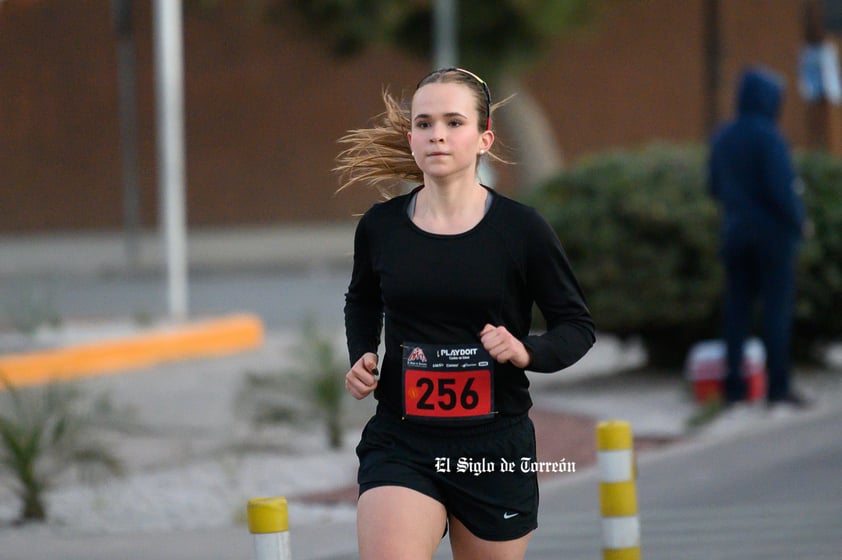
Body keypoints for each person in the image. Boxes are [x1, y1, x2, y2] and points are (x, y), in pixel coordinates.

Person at [338, 67, 595, 560]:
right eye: (425, 123)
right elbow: (363, 299)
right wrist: (363, 354)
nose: (437, 134)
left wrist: (526, 351)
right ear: (411, 136)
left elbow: (576, 326)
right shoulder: (381, 227)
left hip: (494, 449)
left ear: (483, 139)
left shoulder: (522, 230)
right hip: (403, 439)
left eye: (454, 122)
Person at [708, 66, 811, 413]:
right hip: (773, 237)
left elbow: (713, 187)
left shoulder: (723, 136)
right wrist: (800, 222)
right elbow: (782, 190)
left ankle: (733, 389)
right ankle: (777, 387)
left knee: (736, 312)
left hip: (735, 234)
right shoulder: (770, 136)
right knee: (775, 311)